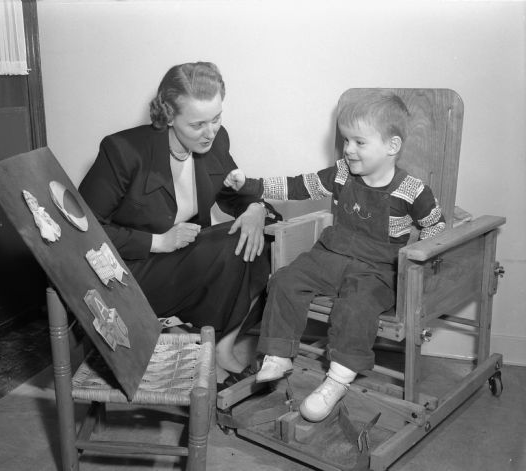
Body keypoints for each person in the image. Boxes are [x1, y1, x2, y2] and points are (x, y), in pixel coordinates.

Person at [224, 90, 445, 421]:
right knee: (285, 279)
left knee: (356, 306)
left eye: (359, 142)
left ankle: (337, 379)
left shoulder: (412, 190)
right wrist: (250, 185)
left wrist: (415, 260)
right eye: (345, 140)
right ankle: (278, 354)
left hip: (378, 267)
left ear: (392, 147)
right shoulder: (341, 173)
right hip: (332, 252)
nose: (348, 149)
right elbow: (298, 186)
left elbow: (436, 227)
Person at [79, 62, 276, 382]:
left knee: (259, 238)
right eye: (198, 124)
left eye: (216, 118)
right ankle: (212, 350)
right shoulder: (123, 151)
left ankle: (222, 348)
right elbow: (84, 231)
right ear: (168, 115)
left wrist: (255, 208)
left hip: (181, 259)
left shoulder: (215, 140)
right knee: (230, 244)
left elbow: (233, 191)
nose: (210, 131)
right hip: (129, 271)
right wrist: (159, 241)